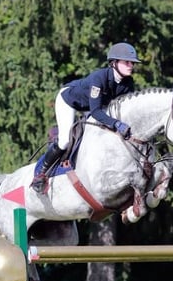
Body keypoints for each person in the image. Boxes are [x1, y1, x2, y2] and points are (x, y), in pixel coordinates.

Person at [30, 42, 141, 193]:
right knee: (65, 140)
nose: (131, 66)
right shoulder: (99, 78)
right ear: (114, 63)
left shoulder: (128, 83)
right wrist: (116, 124)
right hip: (69, 101)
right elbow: (96, 111)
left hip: (91, 107)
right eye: (127, 62)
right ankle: (40, 174)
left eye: (132, 63)